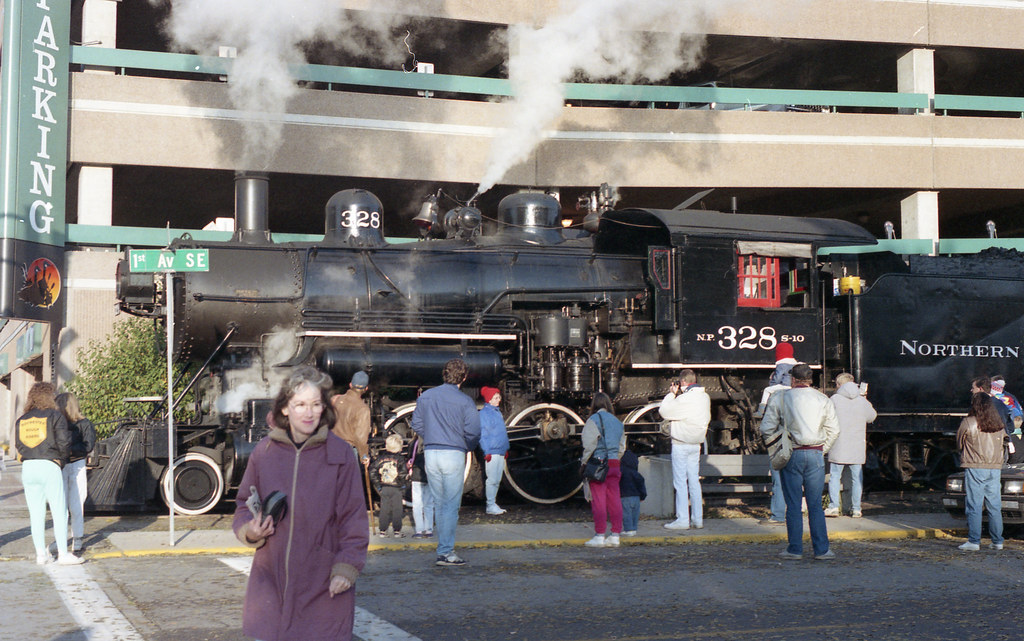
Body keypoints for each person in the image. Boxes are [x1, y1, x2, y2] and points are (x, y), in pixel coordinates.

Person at [233, 366, 369, 641]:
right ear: (285, 408)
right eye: (300, 405)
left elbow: (354, 518)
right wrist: (250, 531)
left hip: (321, 581)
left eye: (316, 404)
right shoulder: (264, 452)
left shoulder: (341, 453)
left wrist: (347, 567)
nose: (309, 413)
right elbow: (243, 505)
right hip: (270, 582)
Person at [759, 363, 840, 560]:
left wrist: (780, 444)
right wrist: (822, 450)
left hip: (792, 453)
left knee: (793, 504)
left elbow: (766, 428)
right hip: (815, 454)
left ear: (792, 379)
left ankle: (795, 549)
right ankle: (822, 550)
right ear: (810, 379)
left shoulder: (781, 397)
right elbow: (834, 430)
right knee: (815, 505)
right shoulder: (823, 399)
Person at [410, 358, 481, 566]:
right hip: (454, 453)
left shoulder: (427, 397)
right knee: (451, 506)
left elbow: (416, 424)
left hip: (431, 452)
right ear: (464, 377)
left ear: (444, 374)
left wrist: (431, 436)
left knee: (440, 504)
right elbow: (474, 432)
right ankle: (446, 552)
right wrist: (465, 445)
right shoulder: (465, 401)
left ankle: (443, 550)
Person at [14, 382, 84, 565]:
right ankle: (63, 553)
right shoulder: (55, 416)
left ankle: (40, 555)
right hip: (49, 465)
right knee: (59, 511)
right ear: (50, 396)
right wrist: (60, 460)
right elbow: (64, 443)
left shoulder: (22, 419)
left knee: (35, 513)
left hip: (28, 467)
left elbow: (18, 446)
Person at [659, 369, 711, 530]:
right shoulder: (704, 397)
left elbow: (664, 411)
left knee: (680, 482)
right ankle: (698, 519)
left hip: (681, 444)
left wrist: (671, 394)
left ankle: (682, 519)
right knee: (694, 481)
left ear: (682, 383)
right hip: (696, 444)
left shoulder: (685, 398)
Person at [956, 391, 1006, 551]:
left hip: (975, 466)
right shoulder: (998, 423)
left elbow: (959, 443)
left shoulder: (968, 422)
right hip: (995, 468)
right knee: (994, 505)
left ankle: (974, 541)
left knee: (974, 505)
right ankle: (998, 541)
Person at [825, 373, 876, 518]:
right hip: (857, 445)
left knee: (835, 476)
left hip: (839, 444)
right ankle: (856, 509)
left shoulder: (835, 399)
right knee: (857, 478)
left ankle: (834, 507)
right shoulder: (861, 400)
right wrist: (865, 400)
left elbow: (826, 417)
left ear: (840, 385)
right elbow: (872, 416)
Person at [581, 392, 627, 547]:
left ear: (594, 405)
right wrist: (615, 458)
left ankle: (600, 535)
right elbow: (622, 446)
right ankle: (615, 535)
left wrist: (584, 462)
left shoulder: (593, 420)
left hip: (598, 463)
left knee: (599, 500)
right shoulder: (617, 422)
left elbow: (589, 445)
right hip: (614, 463)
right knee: (614, 499)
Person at [757, 349, 796, 526]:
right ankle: (795, 513)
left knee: (779, 478)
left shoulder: (776, 394)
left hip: (780, 441)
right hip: (799, 441)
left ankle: (778, 515)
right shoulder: (810, 397)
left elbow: (767, 426)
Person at [56, 392, 97, 553]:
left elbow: (88, 446)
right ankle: (76, 538)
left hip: (65, 463)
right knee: (76, 502)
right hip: (75, 462)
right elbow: (88, 446)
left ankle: (70, 538)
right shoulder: (84, 423)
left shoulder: (60, 424)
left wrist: (66, 450)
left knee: (68, 502)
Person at [479, 386, 510, 515]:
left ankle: (492, 503)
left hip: (499, 450)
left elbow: (501, 433)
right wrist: (486, 451)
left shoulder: (497, 412)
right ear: (489, 400)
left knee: (497, 479)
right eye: (496, 398)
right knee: (492, 479)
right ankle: (490, 505)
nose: (499, 400)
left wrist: (505, 448)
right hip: (492, 451)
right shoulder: (484, 414)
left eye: (499, 397)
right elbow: (483, 434)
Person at [371, 433, 408, 538]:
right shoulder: (400, 459)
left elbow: (372, 472)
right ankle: (397, 531)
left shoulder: (380, 458)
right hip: (396, 487)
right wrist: (403, 485)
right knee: (397, 509)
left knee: (384, 509)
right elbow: (403, 474)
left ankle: (382, 531)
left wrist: (378, 485)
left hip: (384, 486)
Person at [331, 370, 372, 465]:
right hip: (347, 451)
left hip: (330, 447)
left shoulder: (335, 399)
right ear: (366, 388)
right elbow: (360, 437)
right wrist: (364, 456)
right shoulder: (362, 409)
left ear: (350, 385)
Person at [406, 432, 434, 538]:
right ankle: (429, 530)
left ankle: (419, 530)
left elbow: (409, 457)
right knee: (429, 504)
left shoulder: (413, 443)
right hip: (429, 476)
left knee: (417, 505)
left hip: (417, 476)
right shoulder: (432, 442)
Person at [619, 448, 647, 536]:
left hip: (625, 496)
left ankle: (628, 529)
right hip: (636, 497)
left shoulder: (621, 472)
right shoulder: (636, 474)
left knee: (626, 514)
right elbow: (641, 485)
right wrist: (643, 496)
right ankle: (634, 528)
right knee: (635, 514)